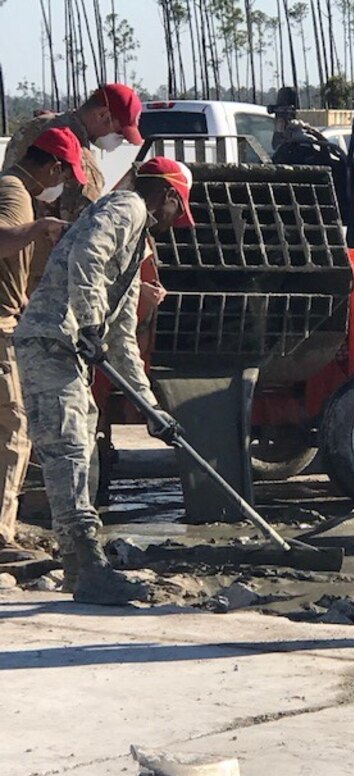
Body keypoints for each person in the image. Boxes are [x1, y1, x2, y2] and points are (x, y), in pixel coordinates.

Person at [13, 157, 195, 605]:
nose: (177, 222)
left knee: (73, 452)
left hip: (64, 347)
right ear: (169, 196)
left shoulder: (136, 247)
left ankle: (79, 567)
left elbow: (122, 337)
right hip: (51, 339)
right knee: (70, 449)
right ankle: (91, 566)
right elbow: (87, 253)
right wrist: (89, 324)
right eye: (180, 210)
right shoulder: (127, 207)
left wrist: (151, 409)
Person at [0, 127, 85, 563]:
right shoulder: (15, 192)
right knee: (13, 431)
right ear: (52, 167)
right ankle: (1, 538)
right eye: (64, 176)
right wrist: (39, 226)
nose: (61, 187)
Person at [2, 83, 144, 295]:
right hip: (44, 280)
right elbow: (84, 232)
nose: (119, 141)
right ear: (102, 115)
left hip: (9, 271)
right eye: (119, 133)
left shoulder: (31, 128)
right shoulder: (79, 158)